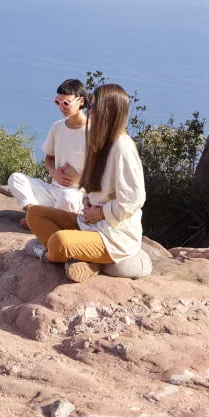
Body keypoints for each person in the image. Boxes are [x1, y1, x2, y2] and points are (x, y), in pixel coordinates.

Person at [25, 84, 146, 283]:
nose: (90, 111)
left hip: (112, 235)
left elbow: (134, 199)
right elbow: (99, 185)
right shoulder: (102, 142)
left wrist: (100, 213)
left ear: (109, 111)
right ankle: (85, 258)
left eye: (95, 107)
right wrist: (89, 200)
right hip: (90, 223)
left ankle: (48, 254)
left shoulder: (123, 147)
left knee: (59, 240)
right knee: (35, 214)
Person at [8, 78, 88, 228]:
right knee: (16, 179)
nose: (61, 107)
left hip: (78, 194)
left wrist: (79, 178)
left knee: (68, 198)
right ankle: (34, 215)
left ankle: (44, 220)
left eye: (66, 103)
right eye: (58, 102)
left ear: (81, 102)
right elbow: (49, 158)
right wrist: (54, 173)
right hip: (54, 189)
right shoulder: (57, 127)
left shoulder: (94, 132)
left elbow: (104, 173)